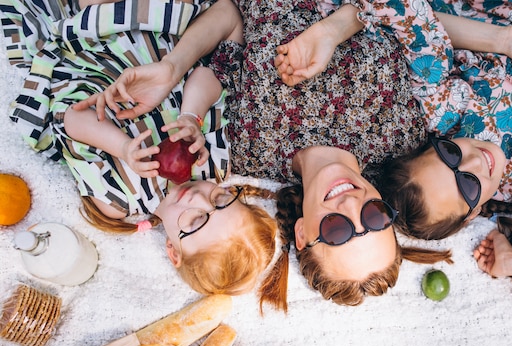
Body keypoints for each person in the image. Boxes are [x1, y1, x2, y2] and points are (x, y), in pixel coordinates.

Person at [75, 0, 453, 312]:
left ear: (303, 233)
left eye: (337, 231)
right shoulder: (404, 136)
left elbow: (226, 26)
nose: (353, 205)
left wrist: (173, 70)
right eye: (374, 217)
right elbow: (414, 19)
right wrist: (335, 28)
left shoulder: (239, 149)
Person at [276, 0, 512, 300]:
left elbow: (405, 11)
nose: (476, 160)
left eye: (450, 155)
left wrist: (332, 31)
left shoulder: (443, 106)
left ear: (434, 144)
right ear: (474, 213)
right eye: (469, 187)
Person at [1, 0, 277, 297]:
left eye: (196, 220)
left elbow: (70, 118)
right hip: (147, 35)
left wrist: (121, 147)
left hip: (89, 52)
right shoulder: (213, 162)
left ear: (173, 251)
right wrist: (191, 115)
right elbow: (214, 72)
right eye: (221, 200)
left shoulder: (118, 199)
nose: (199, 198)